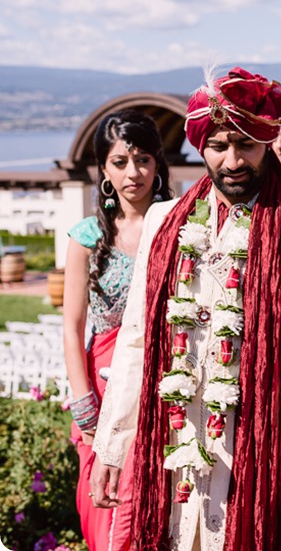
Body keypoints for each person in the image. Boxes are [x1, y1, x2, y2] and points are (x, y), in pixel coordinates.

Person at [89, 68, 281, 550]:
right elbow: (138, 340)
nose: (233, 160)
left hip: (259, 451)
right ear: (201, 147)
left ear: (267, 145)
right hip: (175, 447)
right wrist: (111, 445)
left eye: (246, 145)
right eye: (219, 145)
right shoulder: (165, 223)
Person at [62, 110, 172, 551]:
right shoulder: (87, 236)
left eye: (143, 159)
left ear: (158, 165)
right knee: (105, 508)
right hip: (102, 391)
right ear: (104, 171)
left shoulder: (179, 225)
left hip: (161, 383)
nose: (134, 172)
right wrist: (84, 404)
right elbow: (71, 327)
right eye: (121, 162)